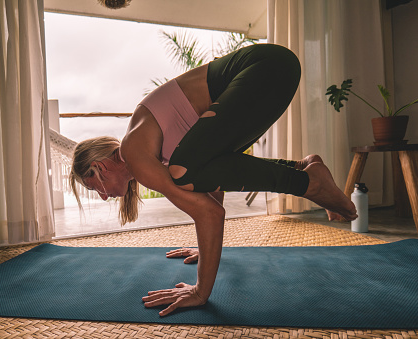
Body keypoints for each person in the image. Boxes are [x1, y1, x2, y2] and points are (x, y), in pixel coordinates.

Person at [69, 44, 357, 317]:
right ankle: (303, 168)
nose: (104, 197)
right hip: (275, 68)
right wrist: (204, 250)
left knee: (184, 173)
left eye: (94, 188)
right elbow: (211, 189)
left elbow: (209, 212)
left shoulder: (135, 153)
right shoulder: (148, 148)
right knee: (189, 172)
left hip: (265, 69)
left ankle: (309, 184)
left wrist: (199, 291)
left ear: (100, 168)